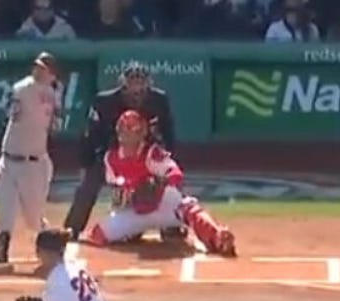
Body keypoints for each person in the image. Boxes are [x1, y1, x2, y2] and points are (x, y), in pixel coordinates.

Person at [82, 110, 237, 256]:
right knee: (98, 234)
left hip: (163, 204)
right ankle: (133, 234)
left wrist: (158, 183)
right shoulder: (111, 158)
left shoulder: (152, 153)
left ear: (142, 133)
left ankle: (217, 237)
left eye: (133, 130)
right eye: (124, 130)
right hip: (134, 209)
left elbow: (176, 173)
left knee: (188, 207)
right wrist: (133, 189)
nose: (128, 135)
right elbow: (116, 186)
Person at [62, 61, 177, 238]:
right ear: (123, 83)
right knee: (88, 184)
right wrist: (86, 163)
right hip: (112, 153)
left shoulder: (159, 100)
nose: (136, 87)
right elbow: (91, 134)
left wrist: (168, 161)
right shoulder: (105, 101)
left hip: (145, 155)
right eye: (132, 81)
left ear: (148, 83)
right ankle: (73, 227)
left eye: (141, 81)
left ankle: (172, 226)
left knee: (170, 184)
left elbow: (168, 131)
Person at [0, 52, 63, 273]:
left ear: (51, 73)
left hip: (34, 165)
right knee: (5, 211)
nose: (37, 71)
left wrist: (52, 94)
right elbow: (12, 112)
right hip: (8, 160)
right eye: (36, 66)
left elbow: (54, 120)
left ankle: (55, 248)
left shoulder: (54, 93)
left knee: (33, 219)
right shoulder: (22, 88)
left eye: (43, 68)